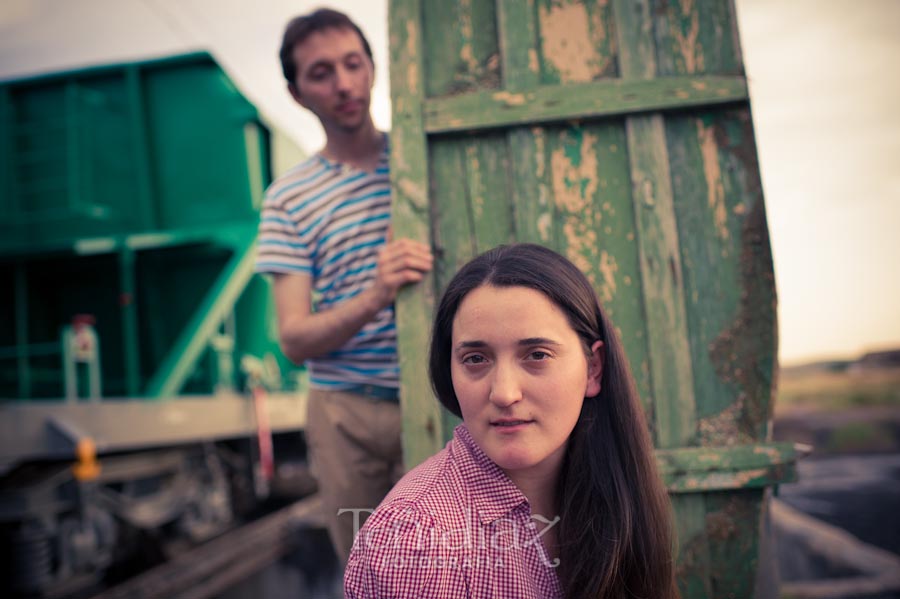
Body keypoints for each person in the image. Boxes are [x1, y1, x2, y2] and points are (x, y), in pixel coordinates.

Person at [344, 244, 678, 599]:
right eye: (475, 359)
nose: (504, 393)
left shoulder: (616, 498)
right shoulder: (418, 543)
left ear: (593, 368)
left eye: (537, 355)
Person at [255, 8, 433, 564]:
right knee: (372, 570)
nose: (344, 83)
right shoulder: (289, 198)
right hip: (342, 418)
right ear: (296, 92)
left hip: (433, 398)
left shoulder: (421, 163)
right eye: (322, 72)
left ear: (375, 67)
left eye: (353, 64)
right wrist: (376, 294)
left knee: (452, 565)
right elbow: (295, 339)